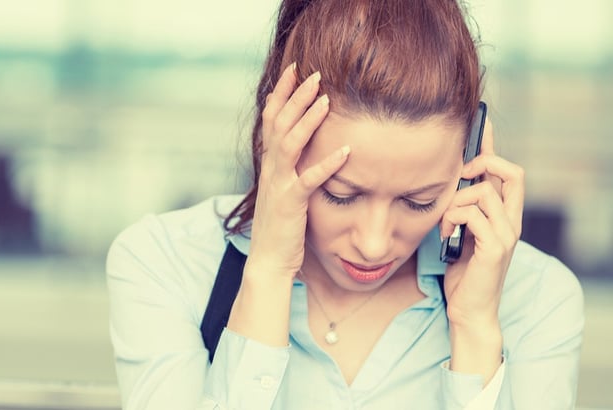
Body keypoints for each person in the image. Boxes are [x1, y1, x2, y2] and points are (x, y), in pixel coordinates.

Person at [106, 0, 584, 408]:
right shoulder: (164, 263)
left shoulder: (536, 300)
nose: (374, 244)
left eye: (419, 201)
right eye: (341, 194)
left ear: (469, 163)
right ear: (281, 135)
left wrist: (476, 331)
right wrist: (268, 272)